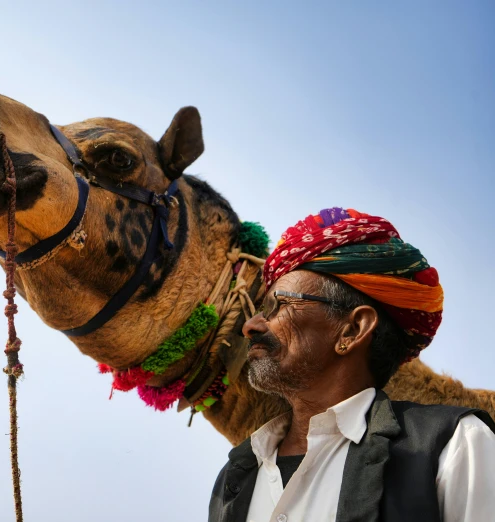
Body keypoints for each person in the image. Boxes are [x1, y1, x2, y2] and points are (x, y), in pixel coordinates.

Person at [209, 207, 495, 522]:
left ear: (352, 330)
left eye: (280, 306)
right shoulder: (234, 478)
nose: (252, 326)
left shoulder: (455, 446)